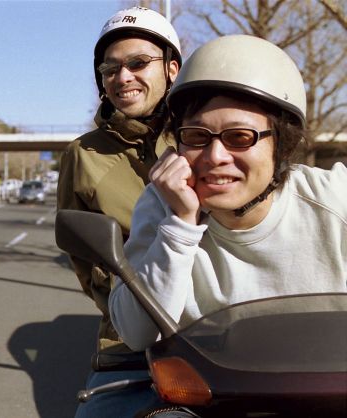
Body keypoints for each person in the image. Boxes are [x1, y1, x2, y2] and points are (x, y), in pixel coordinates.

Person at [109, 33, 347, 363]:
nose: (215, 156)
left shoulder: (334, 201)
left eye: (239, 137)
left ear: (282, 144)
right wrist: (181, 226)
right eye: (196, 136)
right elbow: (136, 334)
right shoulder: (162, 204)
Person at [56, 6, 181, 417]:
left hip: (219, 325)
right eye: (109, 69)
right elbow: (83, 254)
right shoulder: (84, 154)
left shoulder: (204, 138)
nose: (122, 77)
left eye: (138, 63)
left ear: (172, 68)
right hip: (129, 342)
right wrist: (122, 307)